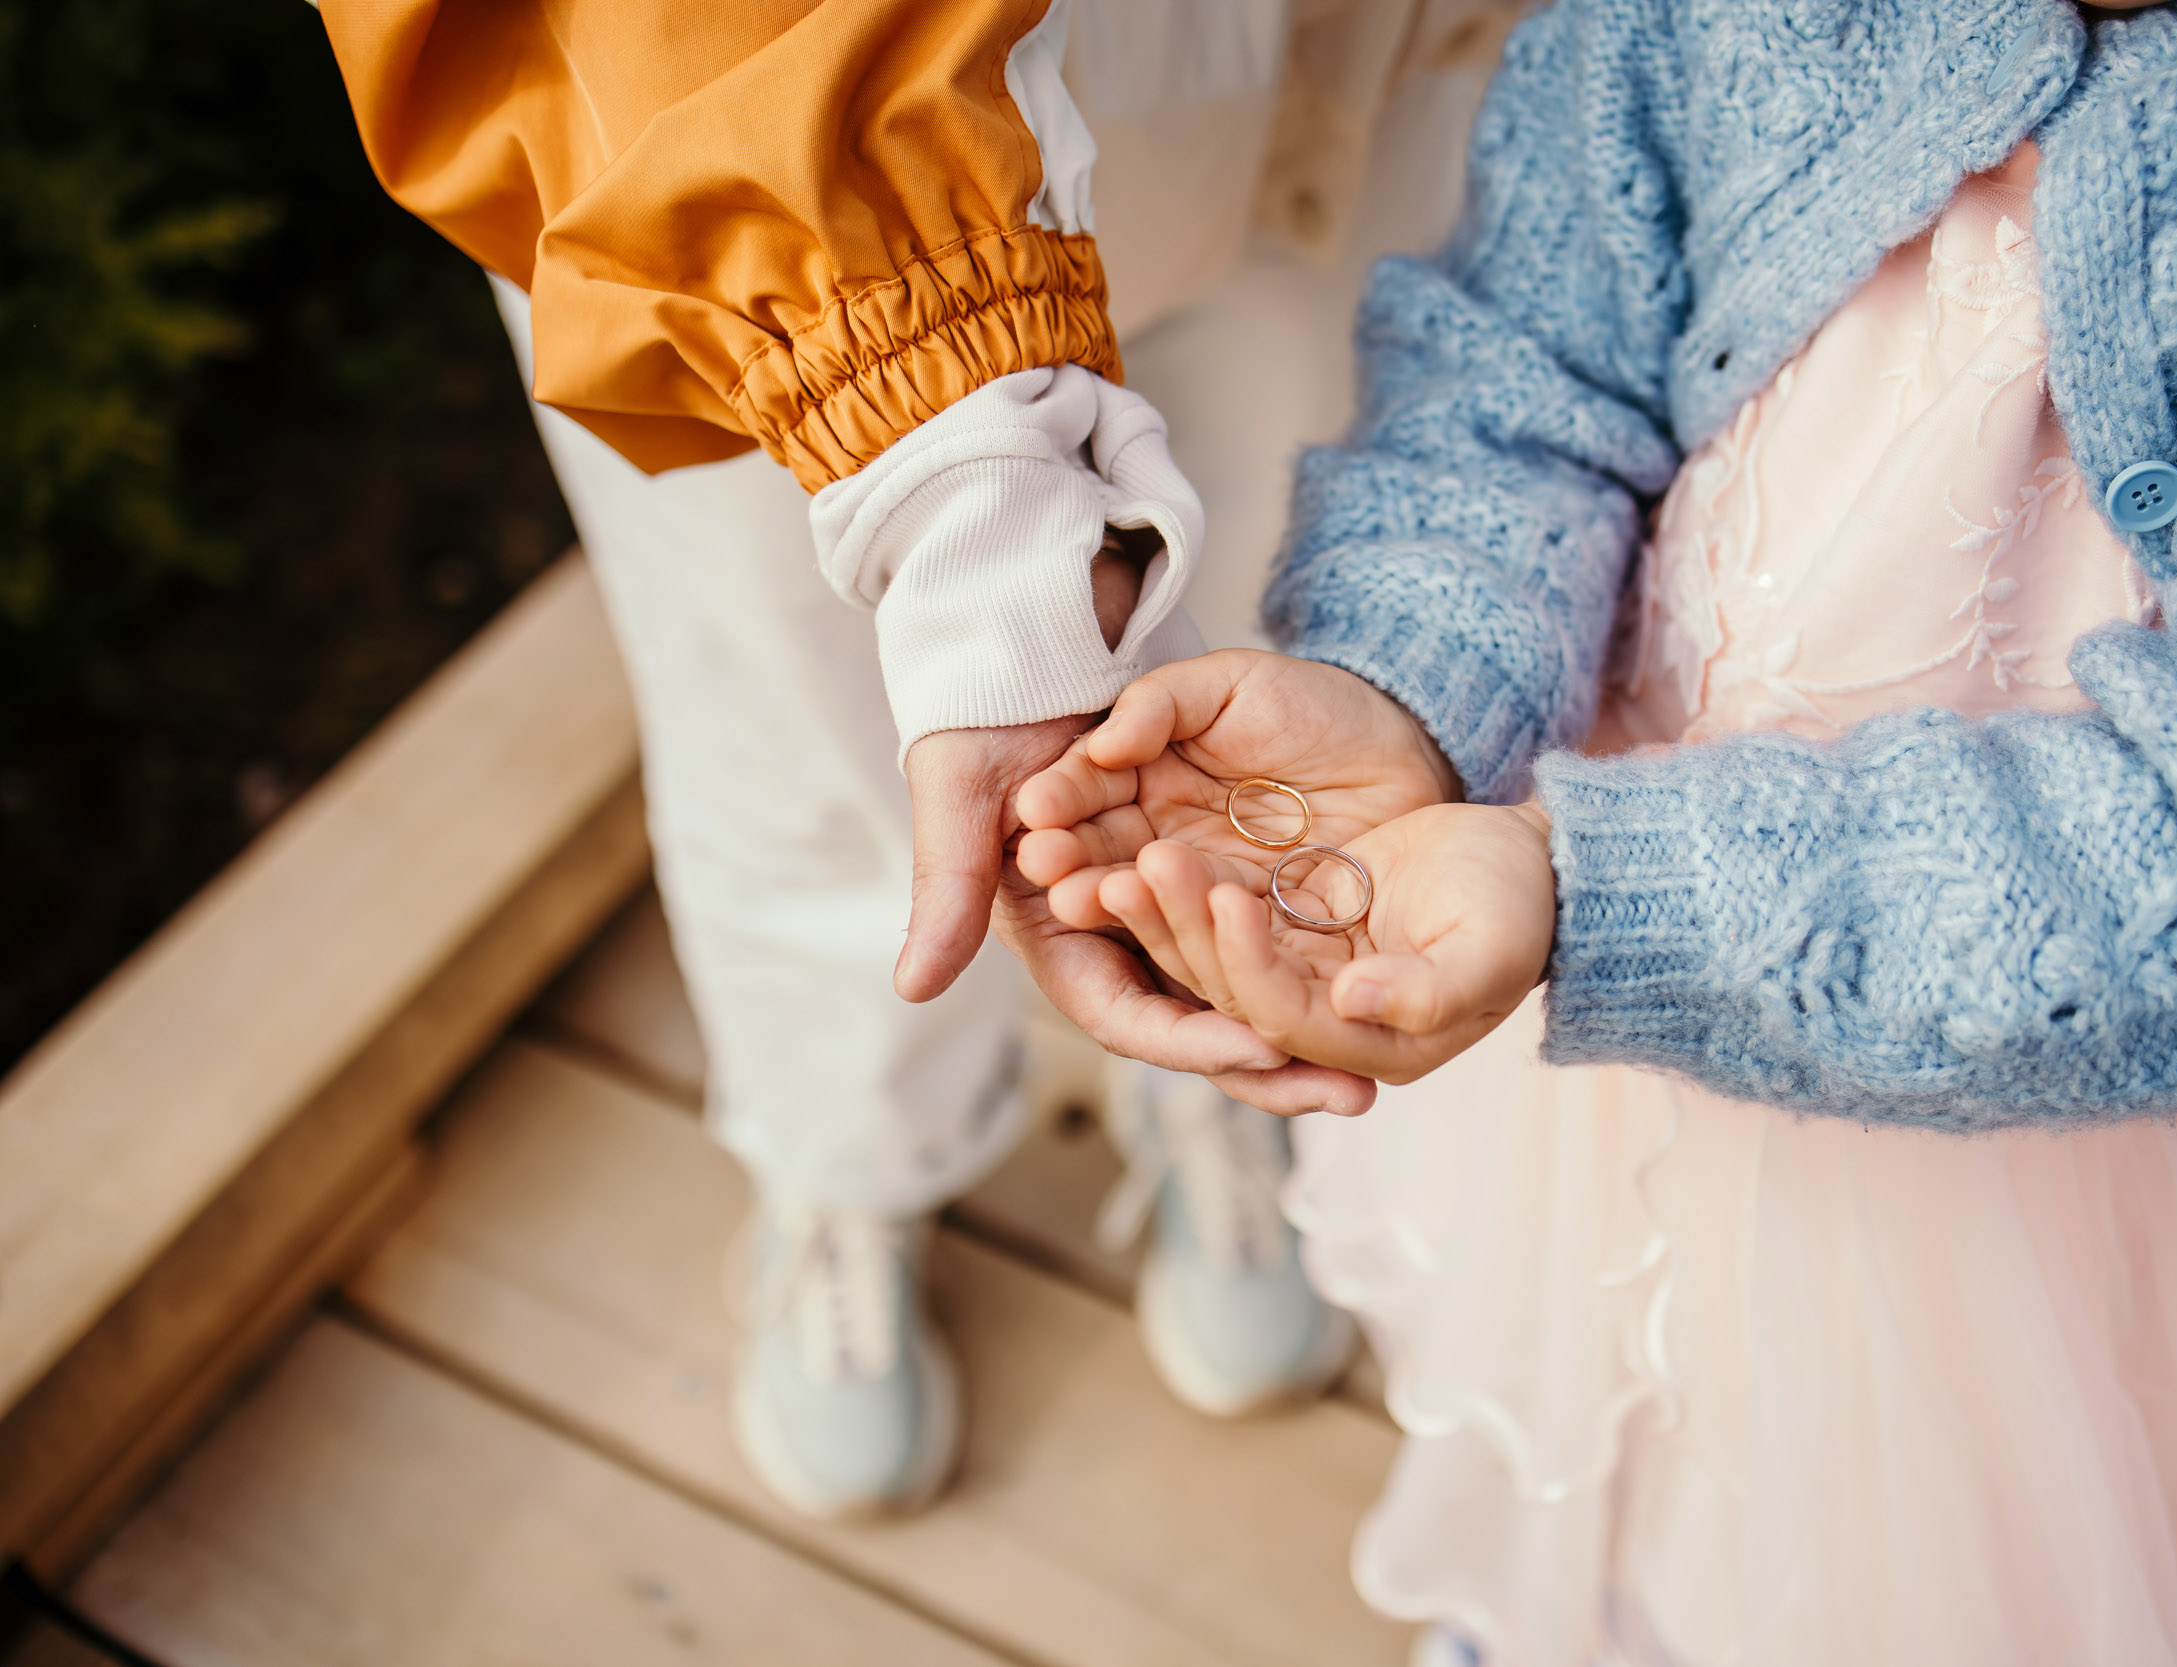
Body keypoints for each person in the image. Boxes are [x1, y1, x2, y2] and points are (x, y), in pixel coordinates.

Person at [1014, 1, 2177, 1660]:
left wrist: (1611, 893)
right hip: (1602, 1010)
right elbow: (1533, 369)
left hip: (2099, 1204)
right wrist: (1413, 694)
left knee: (1977, 1577)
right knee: (1657, 1419)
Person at [314, 0, 1506, 1519]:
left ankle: (1204, 1061)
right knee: (799, 727)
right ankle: (849, 1157)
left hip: (1307, 63)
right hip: (710, 135)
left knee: (1264, 622)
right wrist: (956, 478)